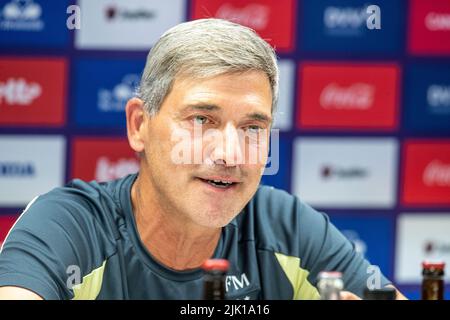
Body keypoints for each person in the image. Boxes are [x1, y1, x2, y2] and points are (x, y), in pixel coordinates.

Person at [0, 18, 405, 300]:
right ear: (139, 125)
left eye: (252, 128)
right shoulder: (70, 224)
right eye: (201, 120)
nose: (230, 154)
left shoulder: (285, 226)